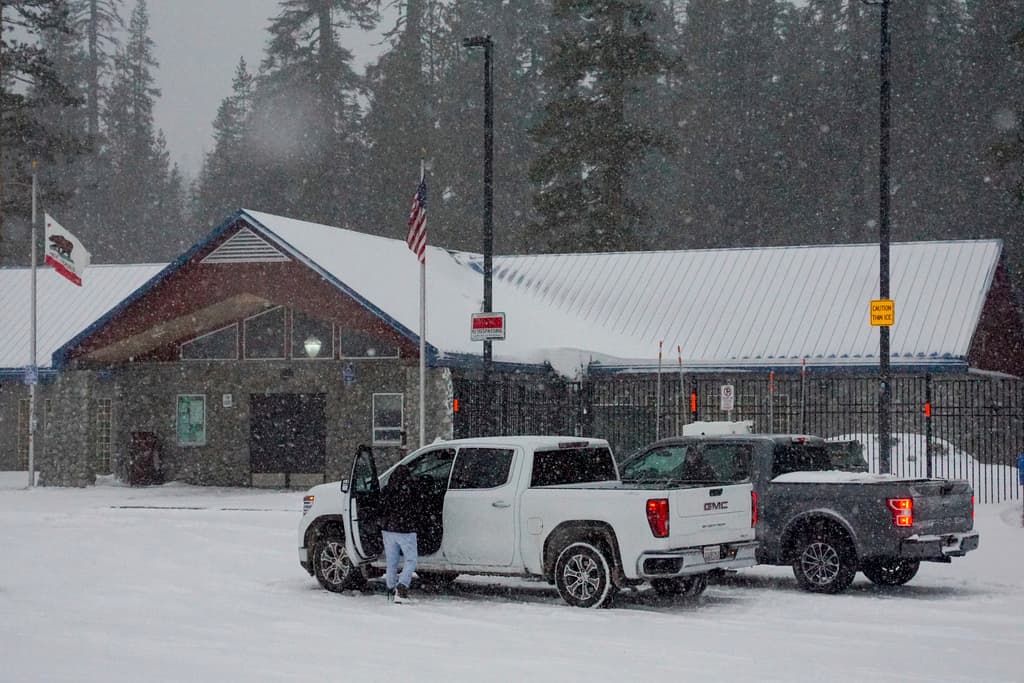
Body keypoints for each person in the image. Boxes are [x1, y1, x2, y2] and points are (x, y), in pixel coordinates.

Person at [380, 464, 423, 603]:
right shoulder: (411, 489)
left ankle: (390, 588)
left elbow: (382, 506)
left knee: (391, 562)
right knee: (411, 559)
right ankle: (402, 586)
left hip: (388, 529)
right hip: (406, 530)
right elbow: (418, 507)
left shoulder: (387, 489)